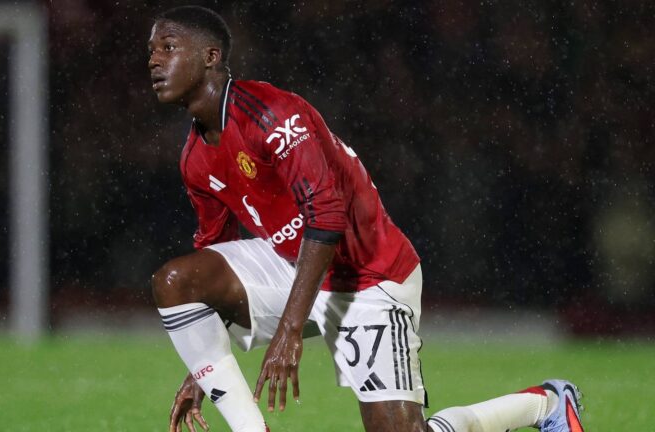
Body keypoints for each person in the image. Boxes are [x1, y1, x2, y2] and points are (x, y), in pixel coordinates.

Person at [148, 5, 585, 432]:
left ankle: (546, 403)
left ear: (211, 56)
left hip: (368, 277)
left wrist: (289, 330)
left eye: (168, 47)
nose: (154, 61)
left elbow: (327, 215)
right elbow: (214, 263)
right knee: (176, 281)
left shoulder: (272, 115)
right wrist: (205, 368)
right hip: (293, 267)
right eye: (151, 51)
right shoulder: (194, 158)